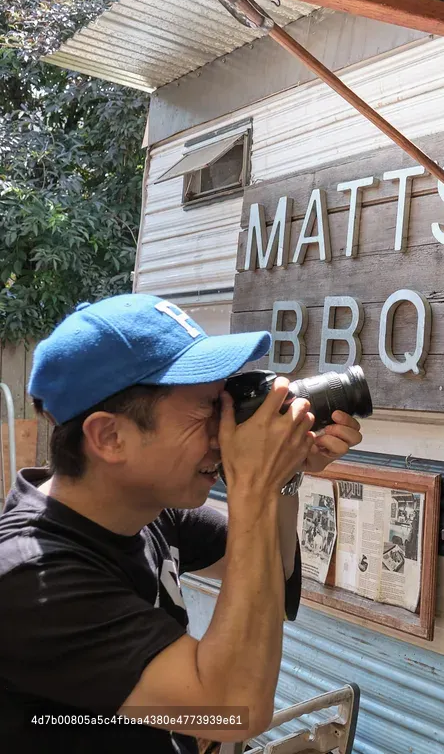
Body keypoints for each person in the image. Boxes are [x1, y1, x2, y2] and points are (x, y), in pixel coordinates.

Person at [0, 294, 364, 753]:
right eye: (207, 407)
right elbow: (234, 710)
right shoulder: (31, 580)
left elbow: (270, 568)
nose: (223, 432)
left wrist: (283, 475)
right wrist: (252, 484)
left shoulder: (148, 513)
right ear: (110, 437)